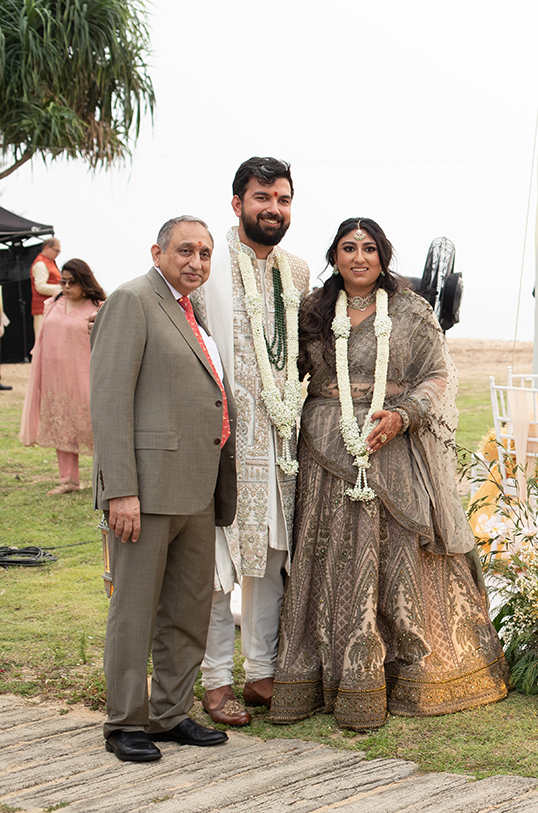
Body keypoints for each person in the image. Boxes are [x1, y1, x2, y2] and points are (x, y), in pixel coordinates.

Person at [271, 218, 507, 730]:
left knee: (399, 552)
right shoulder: (311, 309)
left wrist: (404, 415)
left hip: (391, 441)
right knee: (331, 552)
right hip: (325, 449)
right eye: (349, 248)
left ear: (384, 256)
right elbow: (286, 371)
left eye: (370, 248)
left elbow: (438, 375)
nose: (359, 257)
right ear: (334, 256)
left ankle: (407, 672)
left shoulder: (409, 309)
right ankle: (323, 674)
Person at [91, 215, 237, 762]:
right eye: (184, 251)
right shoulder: (132, 301)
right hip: (145, 493)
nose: (195, 262)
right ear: (157, 251)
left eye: (203, 253)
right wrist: (120, 491)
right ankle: (125, 721)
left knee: (187, 607)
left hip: (197, 490)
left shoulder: (189, 309)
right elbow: (109, 403)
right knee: (134, 608)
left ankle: (170, 712)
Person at [196, 157, 311, 728]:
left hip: (281, 442)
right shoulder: (207, 264)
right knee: (219, 566)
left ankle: (261, 672)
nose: (273, 208)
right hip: (221, 442)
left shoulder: (298, 270)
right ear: (237, 203)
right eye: (262, 197)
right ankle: (216, 680)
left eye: (283, 199)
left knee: (270, 559)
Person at [19, 259, 105, 494]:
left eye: (72, 282)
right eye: (63, 281)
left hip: (86, 376)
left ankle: (108, 478)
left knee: (95, 426)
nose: (66, 287)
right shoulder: (55, 302)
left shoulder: (98, 306)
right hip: (55, 378)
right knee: (62, 424)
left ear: (84, 283)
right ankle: (68, 480)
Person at [29, 237, 62, 339]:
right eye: (56, 251)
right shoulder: (40, 264)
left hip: (51, 308)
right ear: (47, 248)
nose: (57, 254)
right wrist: (62, 289)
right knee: (43, 341)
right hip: (42, 309)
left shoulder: (50, 263)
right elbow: (40, 287)